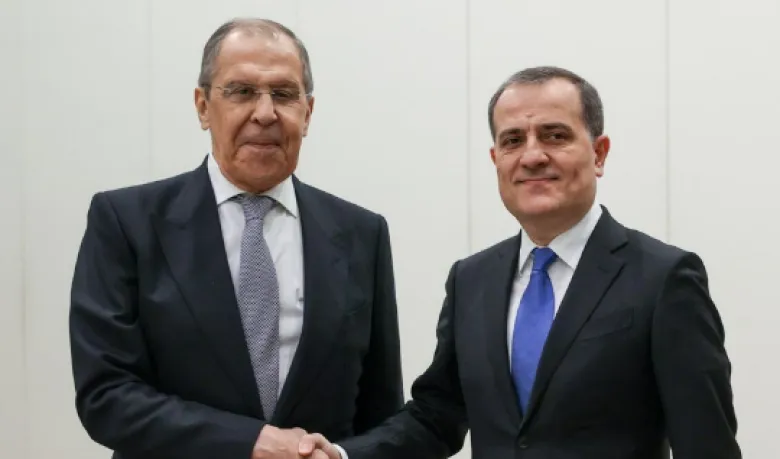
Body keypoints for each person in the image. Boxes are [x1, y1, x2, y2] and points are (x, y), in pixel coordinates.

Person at [299, 66, 741, 459]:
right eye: (513, 140)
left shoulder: (664, 279)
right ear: (497, 160)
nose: (532, 156)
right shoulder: (471, 280)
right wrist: (343, 455)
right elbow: (437, 415)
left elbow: (706, 445)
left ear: (599, 153)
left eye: (555, 135)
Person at [68, 18, 404, 459]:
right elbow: (106, 396)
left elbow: (382, 417)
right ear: (203, 107)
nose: (264, 113)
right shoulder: (127, 223)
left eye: (283, 94)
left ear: (307, 113)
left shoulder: (362, 234)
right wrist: (249, 442)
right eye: (242, 91)